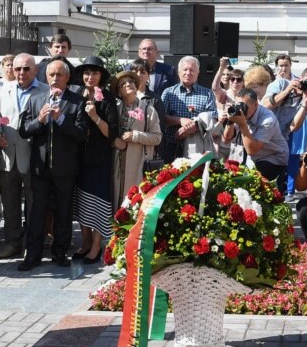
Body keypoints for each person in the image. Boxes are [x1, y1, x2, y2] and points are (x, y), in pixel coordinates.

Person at [19, 58, 85, 268]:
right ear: (45, 77)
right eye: (51, 75)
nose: (55, 79)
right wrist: (39, 120)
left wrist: (62, 120)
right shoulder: (36, 98)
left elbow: (81, 134)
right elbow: (23, 130)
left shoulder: (77, 101)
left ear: (67, 77)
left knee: (63, 212)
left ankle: (60, 253)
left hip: (65, 168)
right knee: (36, 211)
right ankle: (33, 255)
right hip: (40, 166)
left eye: (59, 75)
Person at [0, 53, 48, 260]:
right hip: (8, 155)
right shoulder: (2, 90)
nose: (22, 73)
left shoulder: (45, 91)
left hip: (34, 156)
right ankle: (13, 243)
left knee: (34, 204)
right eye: (17, 69)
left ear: (34, 70)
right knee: (10, 203)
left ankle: (32, 245)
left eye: (26, 69)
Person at [72, 56, 117, 265]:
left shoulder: (107, 98)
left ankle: (97, 244)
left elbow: (112, 133)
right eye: (87, 73)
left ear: (101, 76)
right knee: (81, 200)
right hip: (79, 155)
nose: (90, 77)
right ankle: (86, 241)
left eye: (95, 73)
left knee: (98, 200)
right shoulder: (76, 95)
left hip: (99, 157)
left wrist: (95, 117)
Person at [221, 87, 290, 190]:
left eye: (244, 106)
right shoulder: (239, 114)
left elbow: (252, 150)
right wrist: (230, 121)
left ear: (256, 105)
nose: (241, 110)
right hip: (252, 159)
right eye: (238, 105)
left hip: (273, 158)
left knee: (252, 183)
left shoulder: (267, 119)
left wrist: (243, 125)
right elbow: (226, 139)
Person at [111, 70, 162, 199]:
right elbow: (108, 134)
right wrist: (114, 141)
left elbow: (157, 137)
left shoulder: (148, 109)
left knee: (134, 202)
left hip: (139, 164)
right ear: (118, 92)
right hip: (117, 164)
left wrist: (135, 135)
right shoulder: (115, 109)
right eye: (123, 84)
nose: (128, 84)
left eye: (130, 81)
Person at [160, 56, 215, 162]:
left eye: (192, 70)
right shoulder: (168, 92)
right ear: (179, 72)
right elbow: (161, 117)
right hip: (172, 144)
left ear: (198, 73)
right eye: (185, 69)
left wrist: (192, 126)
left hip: (197, 146)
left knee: (194, 176)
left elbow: (213, 117)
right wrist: (180, 120)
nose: (188, 73)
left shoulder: (207, 93)